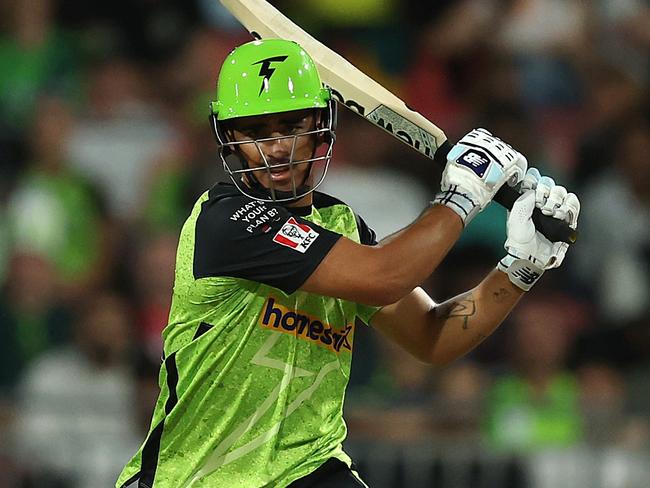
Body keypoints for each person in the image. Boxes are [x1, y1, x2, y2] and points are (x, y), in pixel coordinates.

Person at [116, 38, 580, 488]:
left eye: (291, 126)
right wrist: (461, 196)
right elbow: (384, 276)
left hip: (308, 466)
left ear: (320, 124)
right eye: (256, 132)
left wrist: (521, 267)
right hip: (198, 478)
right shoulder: (226, 221)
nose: (276, 148)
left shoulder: (343, 227)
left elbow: (431, 337)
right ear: (229, 138)